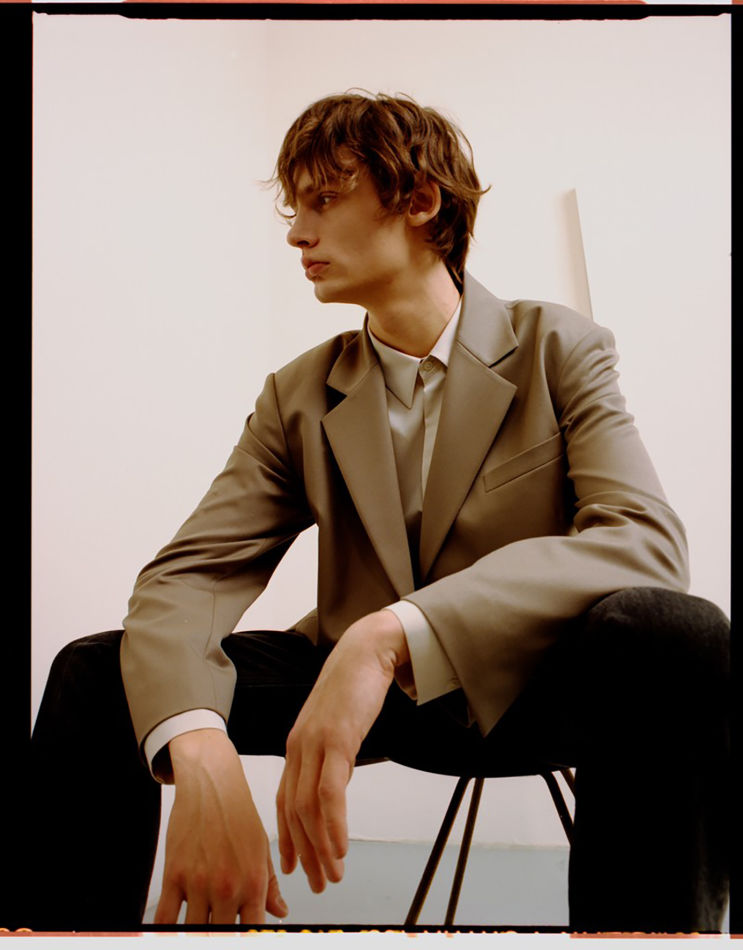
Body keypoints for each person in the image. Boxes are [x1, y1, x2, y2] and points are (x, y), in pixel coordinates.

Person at [28, 92, 729, 933]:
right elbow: (189, 577)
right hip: (360, 699)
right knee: (100, 672)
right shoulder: (297, 393)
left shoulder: (558, 346)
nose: (297, 234)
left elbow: (644, 543)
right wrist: (200, 744)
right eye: (295, 210)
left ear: (420, 201)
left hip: (528, 687)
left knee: (674, 632)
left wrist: (391, 631)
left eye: (324, 200)